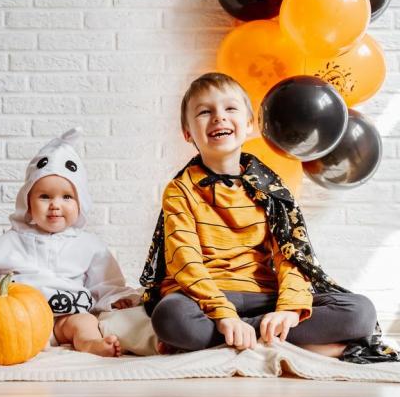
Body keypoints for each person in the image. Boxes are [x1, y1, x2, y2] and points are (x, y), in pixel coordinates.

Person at [140, 72, 395, 363]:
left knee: (360, 311)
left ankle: (241, 338)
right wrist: (223, 315)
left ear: (249, 124)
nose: (218, 117)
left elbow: (292, 256)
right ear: (188, 133)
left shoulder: (271, 189)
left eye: (230, 109)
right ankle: (277, 341)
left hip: (262, 295)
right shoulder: (180, 189)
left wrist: (288, 309)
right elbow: (184, 261)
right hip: (203, 298)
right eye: (204, 112)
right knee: (171, 317)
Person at [0, 128, 141, 357]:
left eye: (66, 197)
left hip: (68, 317)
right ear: (28, 202)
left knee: (85, 322)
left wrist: (117, 299)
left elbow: (104, 283)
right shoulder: (7, 243)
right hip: (22, 318)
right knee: (5, 330)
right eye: (44, 196)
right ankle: (22, 345)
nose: (55, 204)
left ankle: (89, 343)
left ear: (80, 202)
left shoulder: (89, 245)